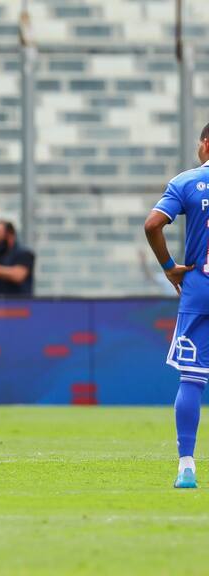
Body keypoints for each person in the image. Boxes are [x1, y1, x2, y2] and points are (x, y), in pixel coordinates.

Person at [144, 121, 209, 489]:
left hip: (200, 290)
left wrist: (170, 269)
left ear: (206, 143)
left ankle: (187, 465)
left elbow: (152, 224)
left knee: (193, 378)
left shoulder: (187, 182)